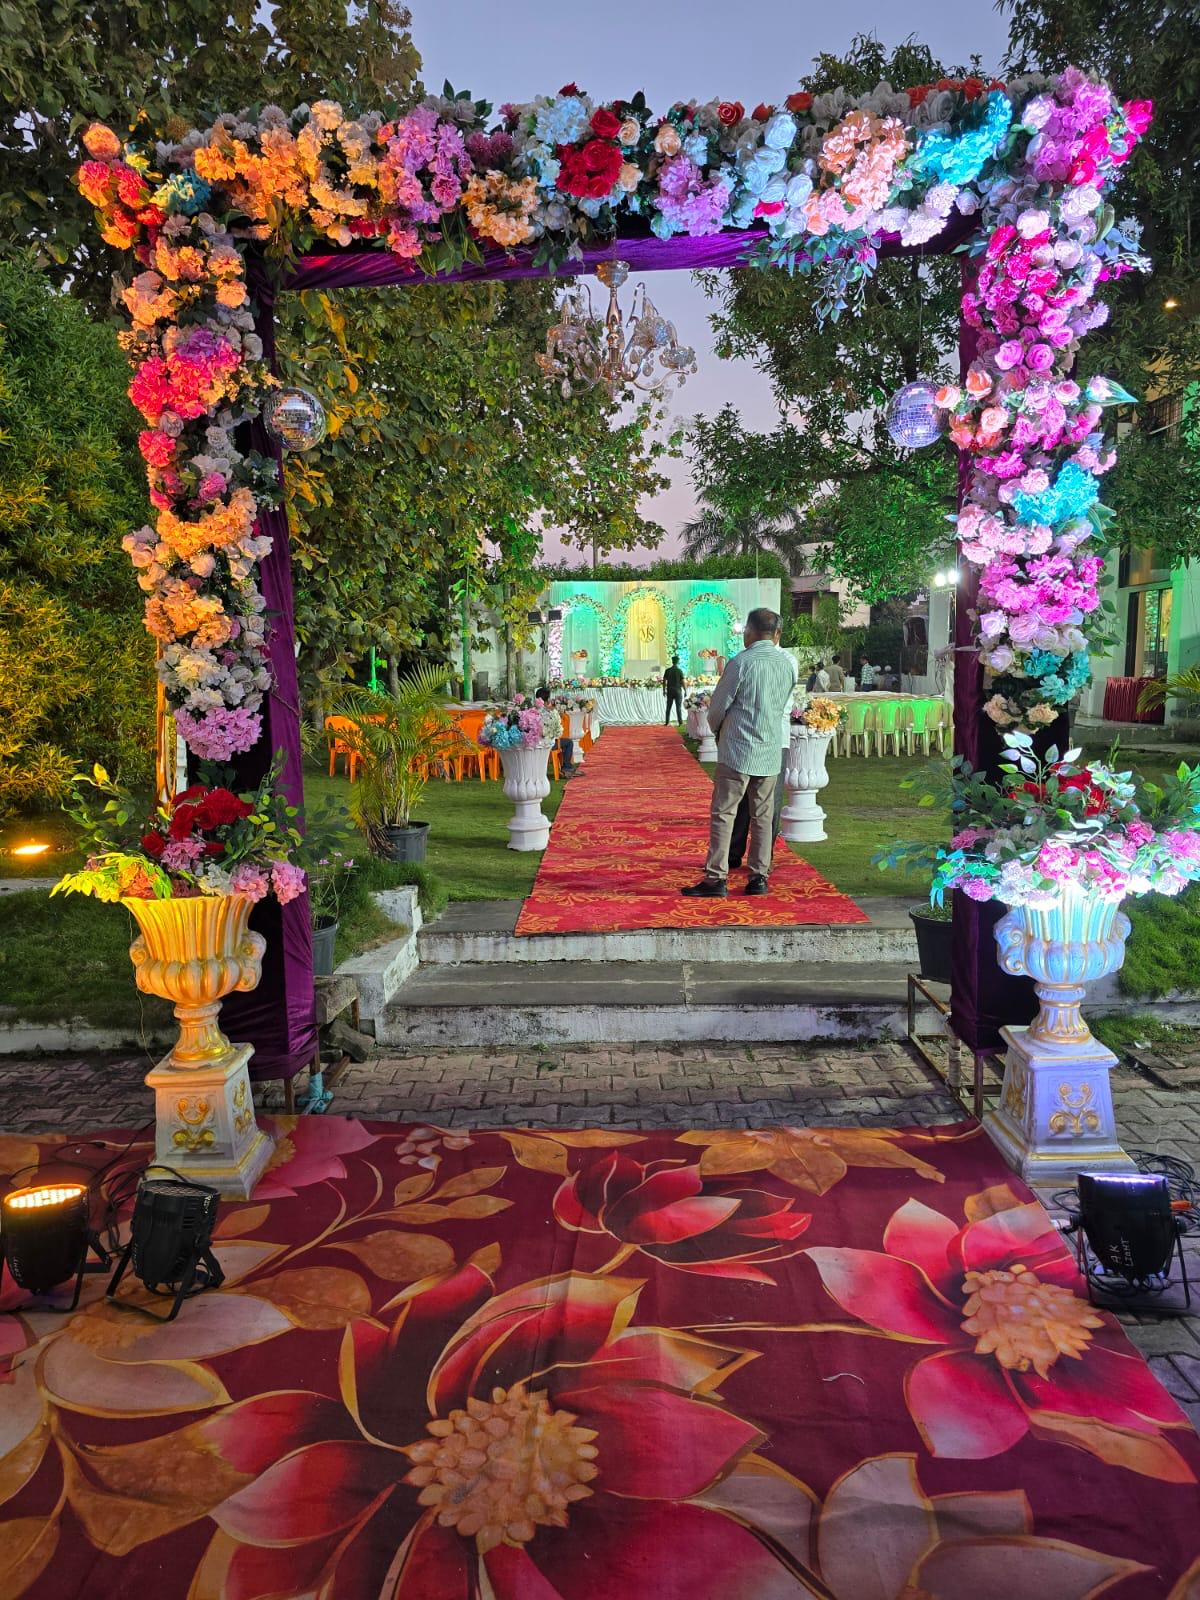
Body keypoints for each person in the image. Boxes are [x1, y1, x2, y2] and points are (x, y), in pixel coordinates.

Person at [681, 608, 797, 899]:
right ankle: (759, 877)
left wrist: (718, 730)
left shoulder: (741, 662)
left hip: (738, 749)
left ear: (751, 631)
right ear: (775, 633)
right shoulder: (787, 665)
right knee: (762, 816)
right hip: (770, 749)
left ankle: (716, 878)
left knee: (724, 813)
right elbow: (781, 705)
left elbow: (717, 707)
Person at [663, 655, 685, 725]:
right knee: (678, 708)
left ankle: (667, 722)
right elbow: (683, 682)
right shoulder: (679, 671)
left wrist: (664, 690)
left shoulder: (668, 670)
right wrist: (685, 690)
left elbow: (664, 681)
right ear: (678, 662)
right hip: (678, 691)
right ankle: (680, 722)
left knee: (668, 707)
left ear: (672, 662)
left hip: (670, 690)